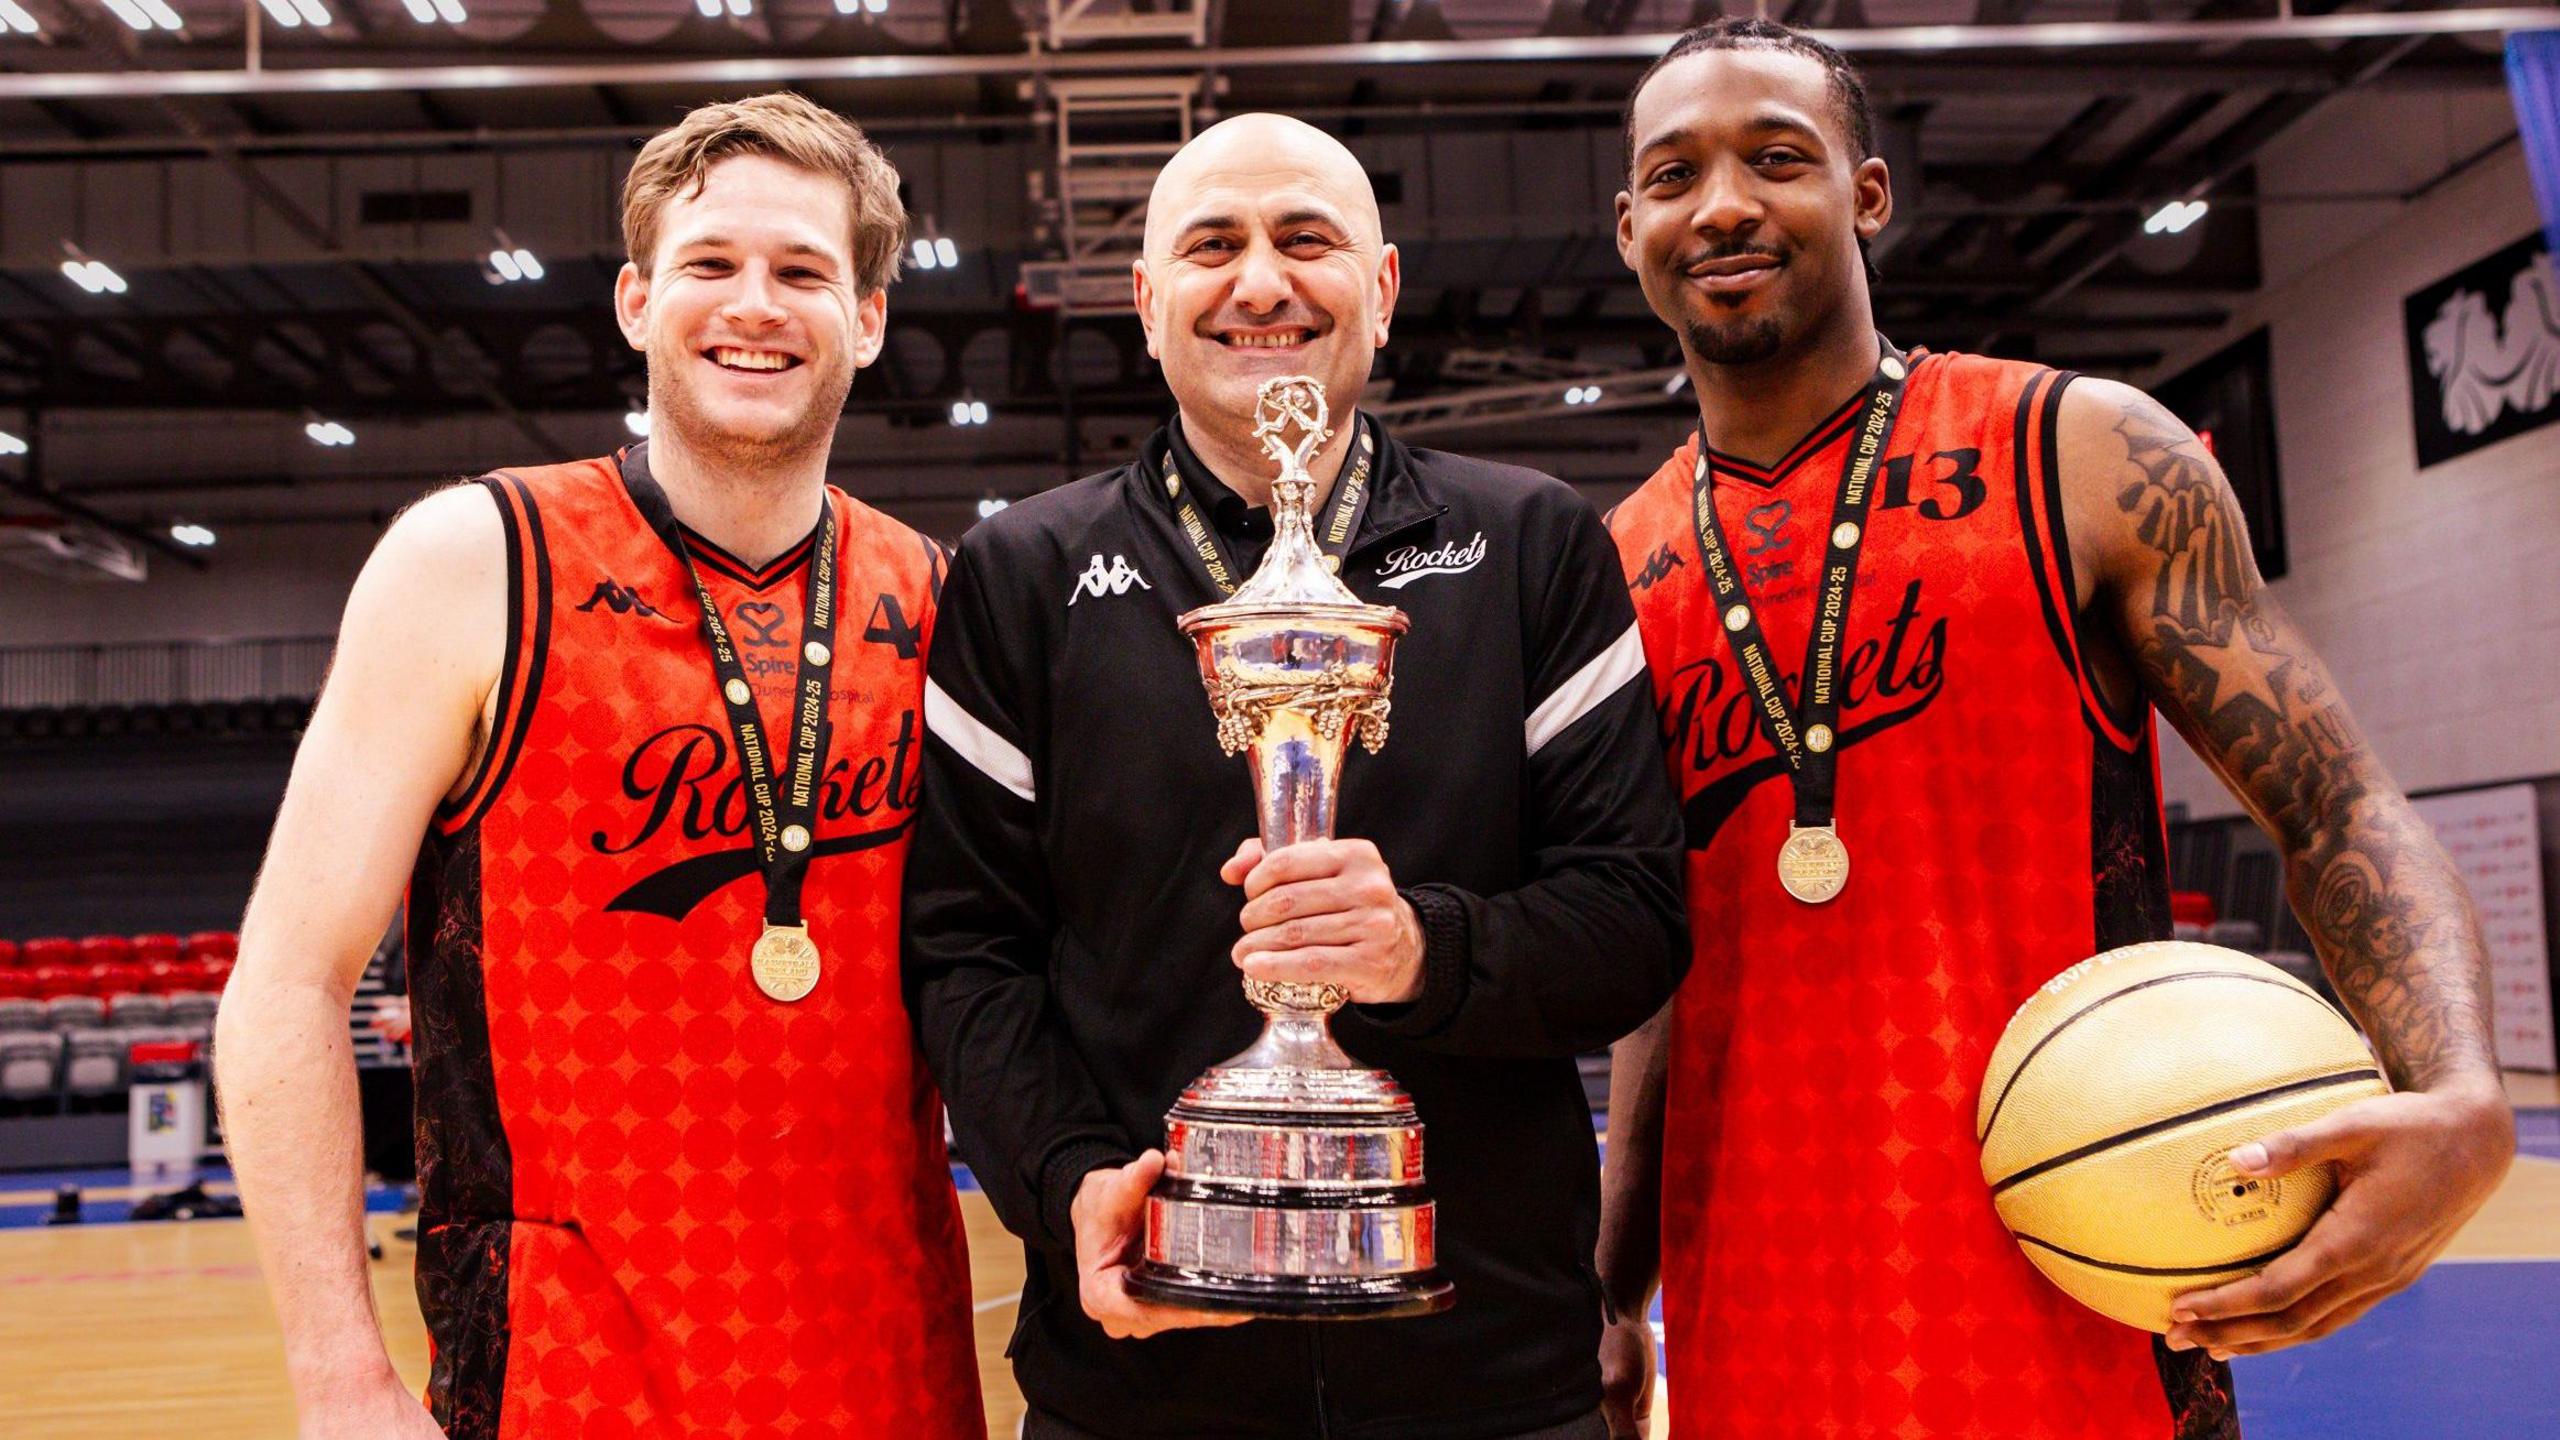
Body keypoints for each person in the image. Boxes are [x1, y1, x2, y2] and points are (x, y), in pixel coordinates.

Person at [1595, 19, 2517, 1440]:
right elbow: (1661, 959)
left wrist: (2458, 1094)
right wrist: (1609, 1287)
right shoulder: (1620, 563)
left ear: (1868, 194)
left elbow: (2333, 806)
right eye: (1674, 176)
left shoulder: (2080, 453)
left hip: (2083, 1296)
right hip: (1752, 1314)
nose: (1721, 204)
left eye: (1777, 158)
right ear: (1630, 226)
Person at [904, 113, 1688, 1440]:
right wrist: (1071, 1179)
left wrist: (1420, 948)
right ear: (1148, 306)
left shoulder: (1533, 543)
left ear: (1379, 292)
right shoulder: (1022, 576)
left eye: (1305, 239)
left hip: (1490, 1379)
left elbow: (1634, 919)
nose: (1262, 282)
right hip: (1139, 1385)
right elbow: (966, 955)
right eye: (1213, 245)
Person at [215, 92, 982, 1439]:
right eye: (710, 265)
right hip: (562, 1379)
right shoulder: (473, 567)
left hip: (889, 1366)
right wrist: (339, 1381)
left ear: (866, 318)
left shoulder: (937, 600)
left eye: (804, 270)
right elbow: (287, 980)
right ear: (637, 301)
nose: (756, 304)